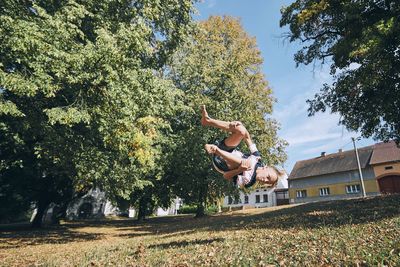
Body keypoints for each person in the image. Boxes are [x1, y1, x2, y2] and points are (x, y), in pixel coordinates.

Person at [201, 105, 285, 189]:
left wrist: (239, 170)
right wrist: (239, 124)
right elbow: (247, 138)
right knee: (241, 130)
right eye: (268, 177)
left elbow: (226, 176)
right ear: (265, 168)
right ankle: (207, 121)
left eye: (267, 182)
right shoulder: (257, 158)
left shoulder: (249, 182)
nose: (265, 180)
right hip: (226, 150)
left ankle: (215, 150)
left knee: (247, 165)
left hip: (221, 164)